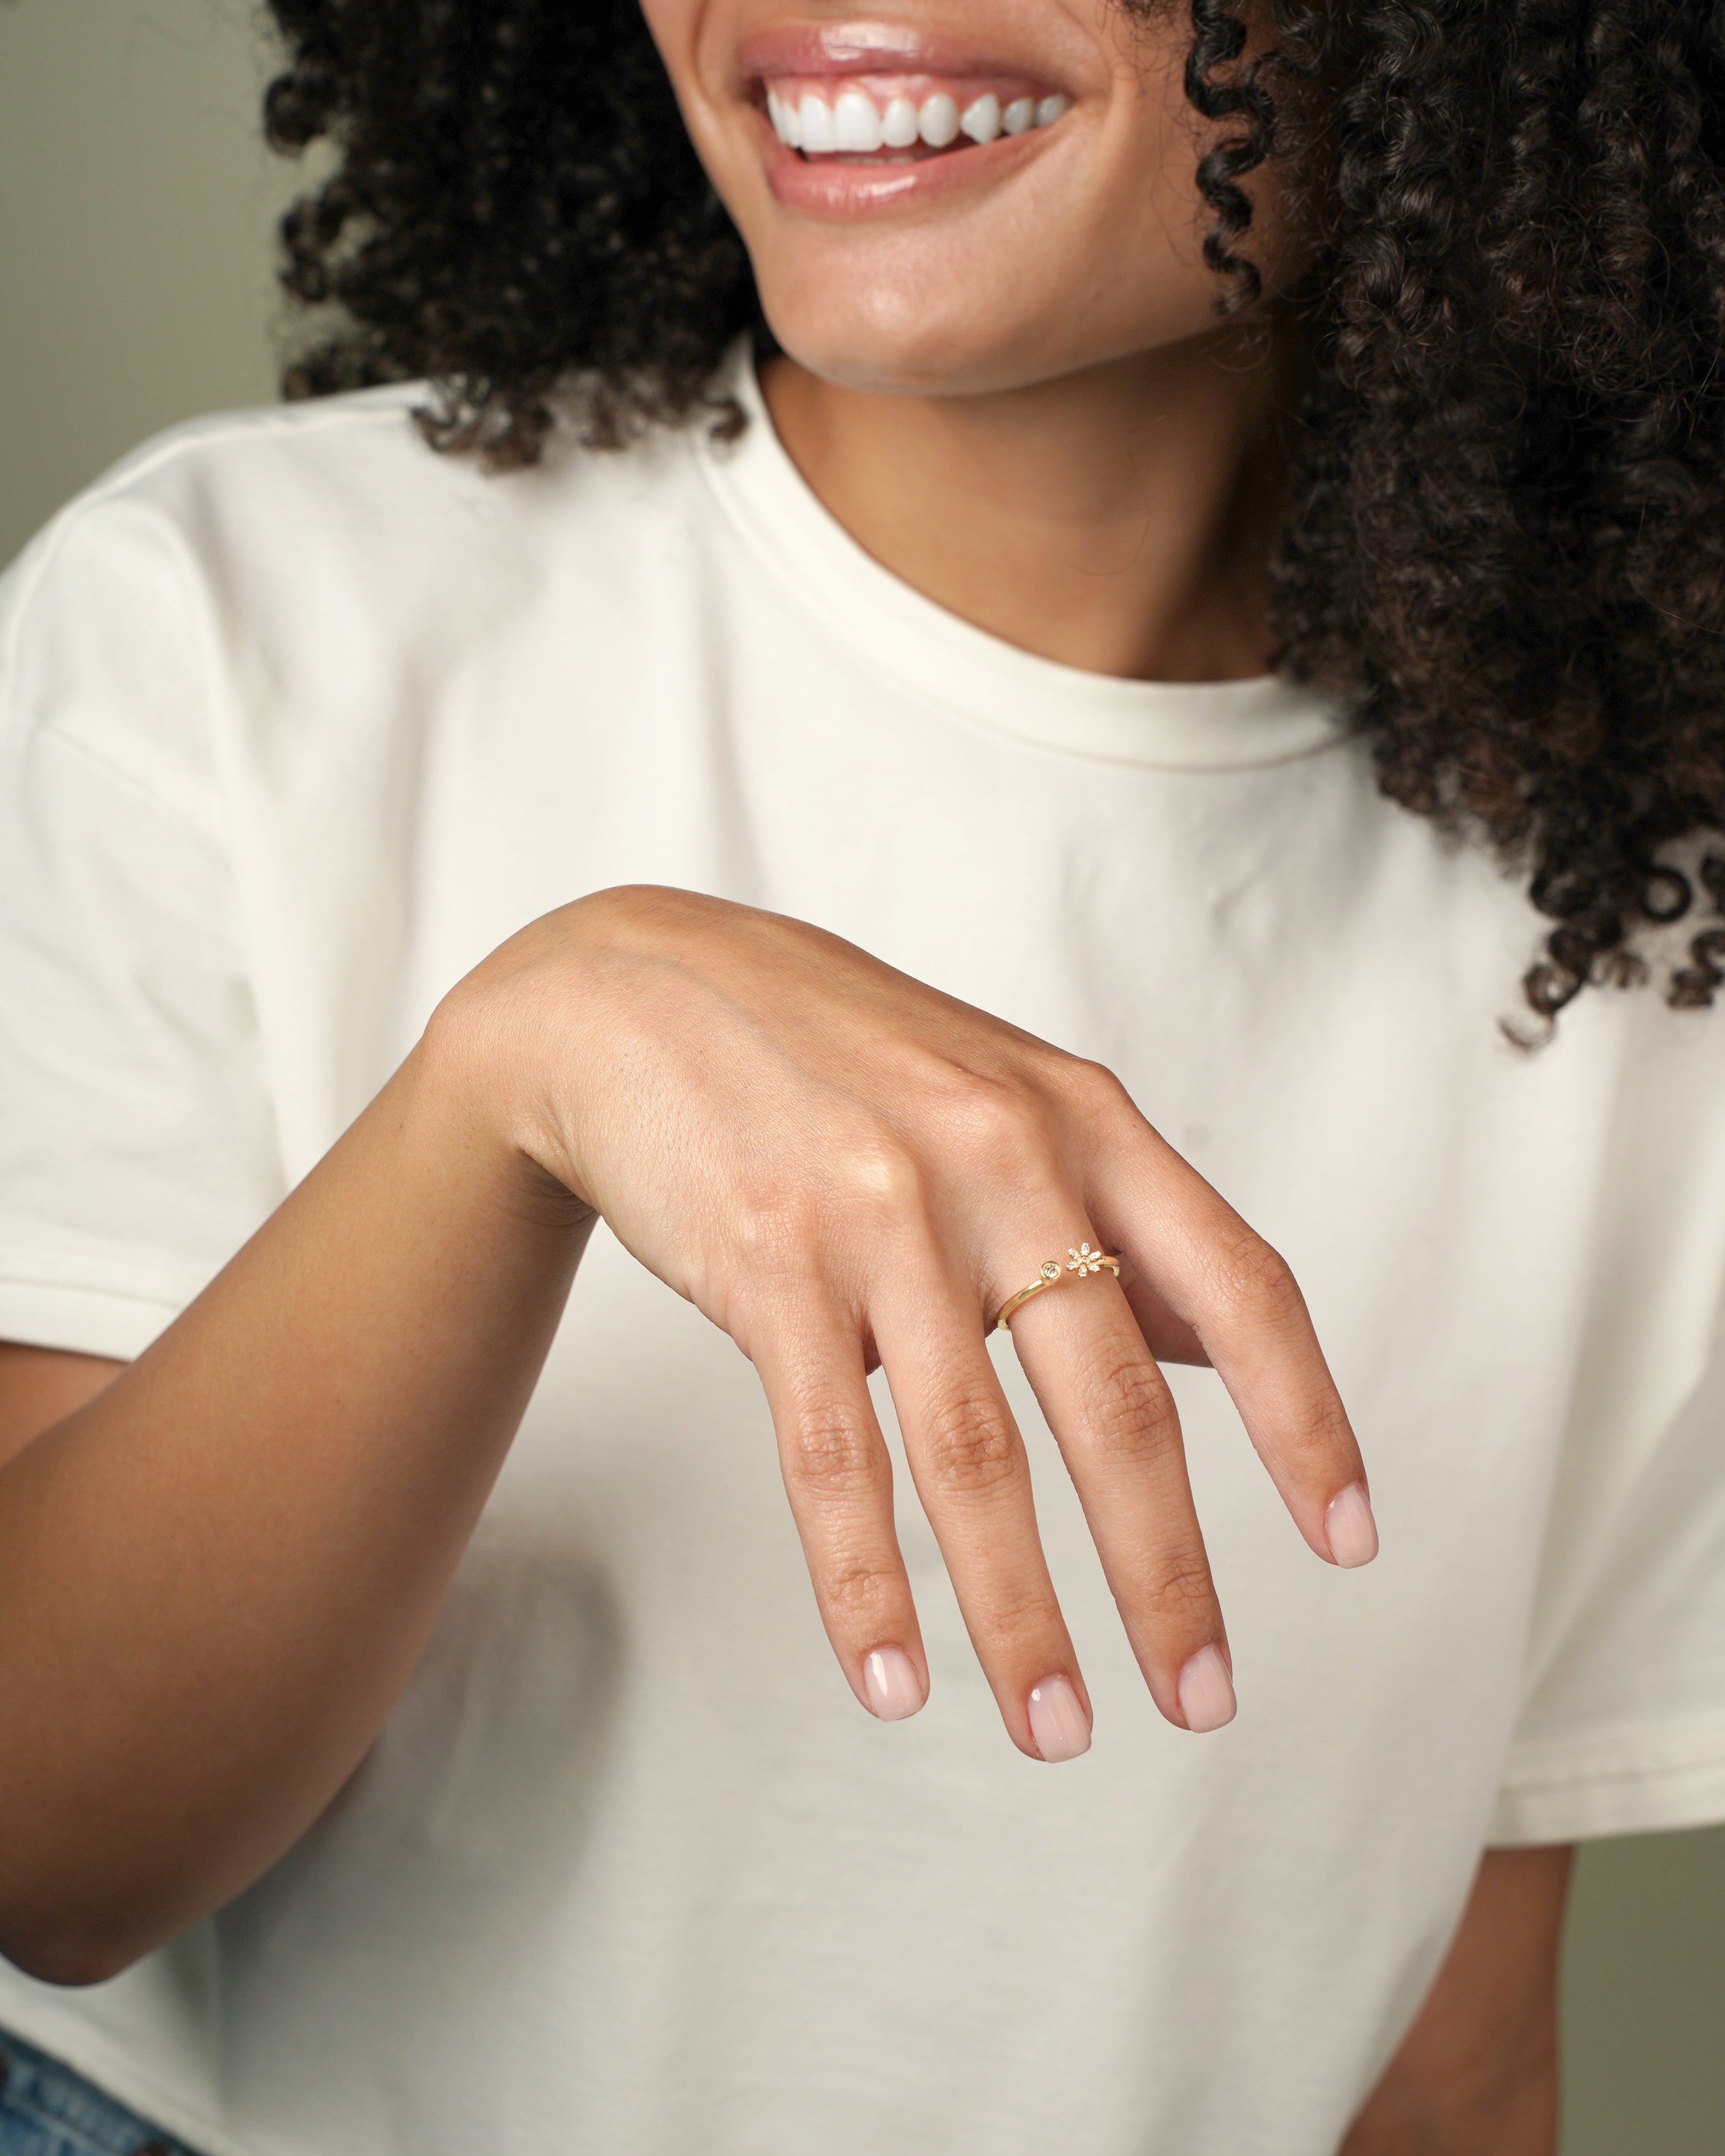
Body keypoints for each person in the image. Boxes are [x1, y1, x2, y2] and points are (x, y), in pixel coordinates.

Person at [1, 0, 1723, 2150]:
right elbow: (50, 1848)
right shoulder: (241, 630)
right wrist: (520, 1067)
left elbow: (1443, 2062)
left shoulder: (1648, 943)